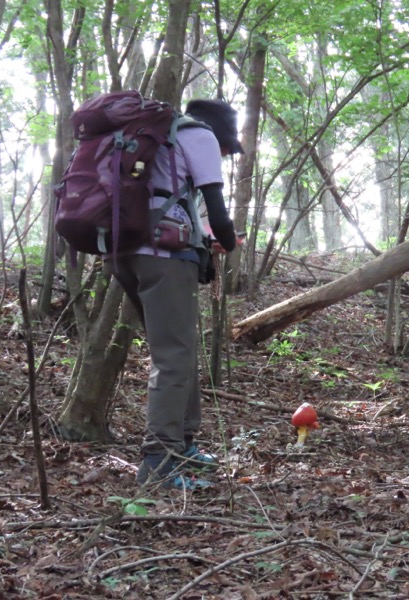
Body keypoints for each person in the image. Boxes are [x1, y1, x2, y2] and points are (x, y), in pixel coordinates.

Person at [109, 99, 244, 489]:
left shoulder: (160, 141)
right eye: (228, 149)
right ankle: (158, 464)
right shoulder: (198, 135)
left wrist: (202, 239)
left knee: (176, 349)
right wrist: (228, 241)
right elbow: (217, 214)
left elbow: (170, 206)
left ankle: (183, 443)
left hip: (124, 254)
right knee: (173, 357)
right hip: (164, 258)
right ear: (217, 134)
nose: (225, 155)